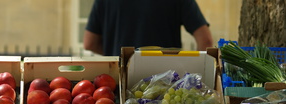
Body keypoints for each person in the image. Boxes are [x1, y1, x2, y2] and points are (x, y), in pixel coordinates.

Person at [83, 0, 213, 56]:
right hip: (165, 81)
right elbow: (205, 40)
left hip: (119, 77)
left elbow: (89, 43)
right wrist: (195, 76)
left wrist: (121, 57)